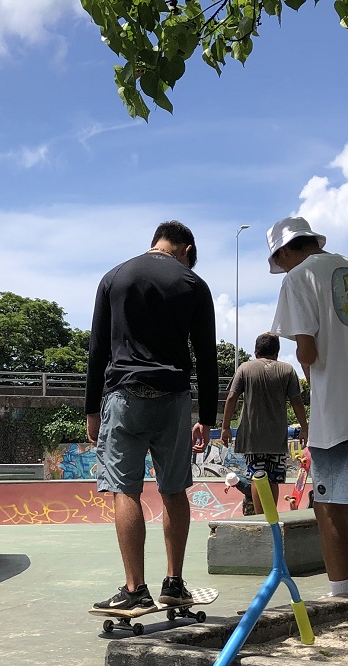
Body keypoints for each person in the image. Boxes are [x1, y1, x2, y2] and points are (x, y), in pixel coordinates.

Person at [86, 220, 218, 611]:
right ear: (187, 250)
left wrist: (92, 408)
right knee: (173, 488)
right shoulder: (194, 285)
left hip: (123, 396)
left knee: (125, 490)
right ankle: (174, 584)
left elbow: (97, 350)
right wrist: (206, 418)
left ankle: (134, 590)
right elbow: (206, 358)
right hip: (174, 399)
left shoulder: (114, 277)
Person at [267, 216, 348, 596]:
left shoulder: (299, 278)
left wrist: (307, 368)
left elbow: (307, 350)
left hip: (342, 408)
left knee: (324, 503)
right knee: (341, 498)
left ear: (284, 250)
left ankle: (340, 593)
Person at [220, 331, 307, 515]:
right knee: (274, 479)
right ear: (277, 352)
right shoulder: (287, 370)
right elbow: (297, 402)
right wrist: (305, 429)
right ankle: (271, 515)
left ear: (256, 351)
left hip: (253, 437)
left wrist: (226, 427)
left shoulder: (245, 368)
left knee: (256, 476)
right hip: (277, 438)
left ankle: (261, 518)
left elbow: (232, 397)